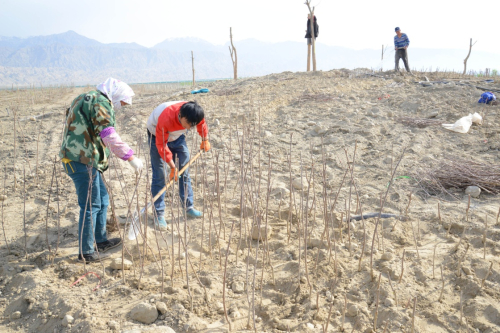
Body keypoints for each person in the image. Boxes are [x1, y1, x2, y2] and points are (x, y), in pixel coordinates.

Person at [60, 78, 144, 262]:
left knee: (102, 199)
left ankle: (100, 240)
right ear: (115, 95)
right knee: (90, 205)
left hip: (84, 158)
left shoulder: (86, 97)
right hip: (81, 159)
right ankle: (86, 252)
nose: (121, 107)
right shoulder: (100, 102)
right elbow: (108, 134)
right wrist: (130, 157)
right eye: (121, 103)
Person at [146, 101, 210, 230]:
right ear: (181, 116)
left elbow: (201, 125)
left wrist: (204, 140)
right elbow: (161, 145)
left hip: (177, 137)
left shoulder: (195, 114)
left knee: (184, 172)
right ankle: (158, 214)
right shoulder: (166, 118)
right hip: (156, 136)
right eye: (188, 124)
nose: (189, 127)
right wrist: (172, 167)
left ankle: (188, 207)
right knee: (160, 175)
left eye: (192, 125)